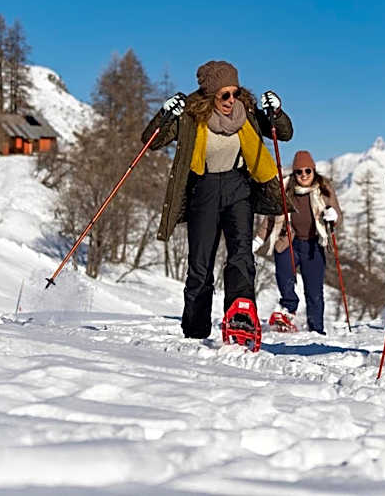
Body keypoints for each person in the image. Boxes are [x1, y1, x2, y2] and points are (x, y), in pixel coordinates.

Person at [141, 60, 293, 340]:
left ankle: (240, 316)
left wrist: (276, 112)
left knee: (242, 256)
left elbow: (283, 133)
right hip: (205, 190)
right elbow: (151, 141)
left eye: (235, 93)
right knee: (200, 263)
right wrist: (165, 114)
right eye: (225, 95)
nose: (231, 100)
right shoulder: (191, 117)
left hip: (239, 188)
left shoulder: (246, 112)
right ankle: (195, 328)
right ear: (211, 95)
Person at [254, 150, 341, 334]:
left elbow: (337, 215)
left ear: (313, 170)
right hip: (289, 242)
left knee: (314, 291)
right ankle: (288, 308)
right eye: (299, 171)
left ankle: (316, 329)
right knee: (284, 275)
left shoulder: (324, 189)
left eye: (307, 171)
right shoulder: (285, 189)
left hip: (314, 245)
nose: (303, 175)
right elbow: (270, 219)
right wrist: (258, 240)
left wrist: (332, 216)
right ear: (294, 173)